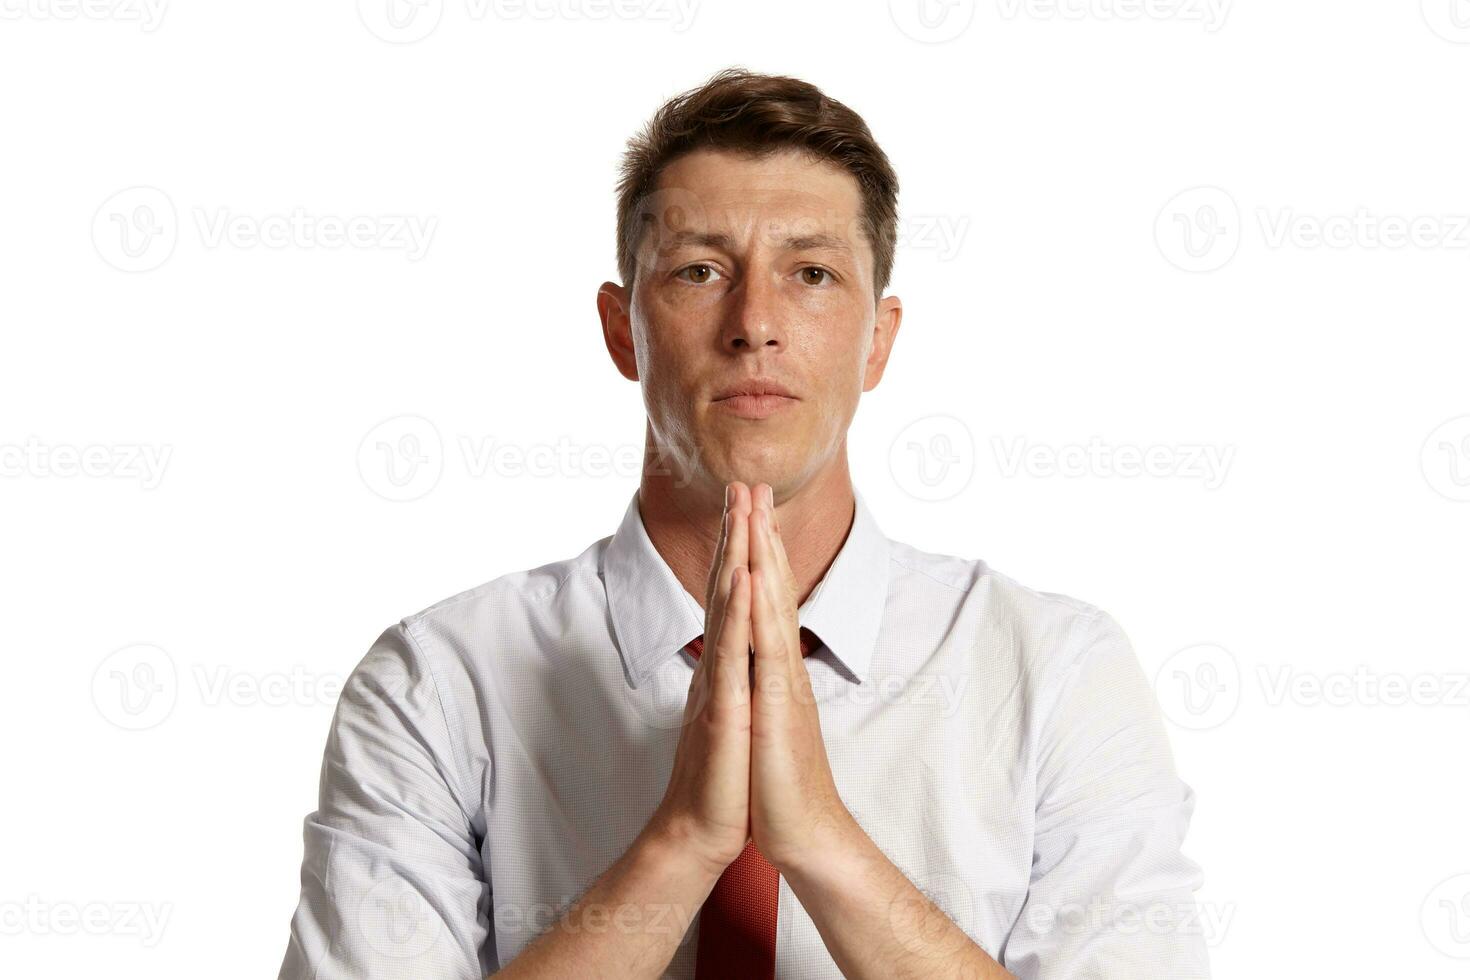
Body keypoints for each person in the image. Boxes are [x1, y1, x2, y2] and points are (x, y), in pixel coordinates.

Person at [277, 66, 1209, 980]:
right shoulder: (440, 682)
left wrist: (823, 843)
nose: (754, 323)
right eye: (699, 270)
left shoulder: (1053, 674)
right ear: (621, 330)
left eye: (810, 273)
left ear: (878, 338)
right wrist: (681, 845)